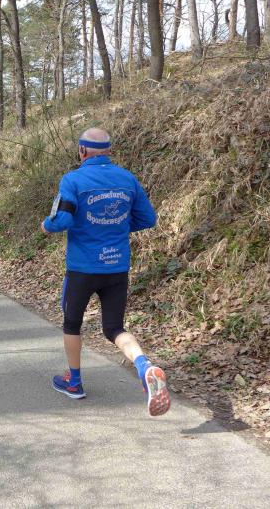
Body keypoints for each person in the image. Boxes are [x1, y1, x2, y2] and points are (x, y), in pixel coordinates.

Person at [40, 128, 169, 417]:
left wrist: (46, 226)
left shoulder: (72, 180)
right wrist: (116, 227)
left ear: (82, 151)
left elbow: (62, 220)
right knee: (114, 328)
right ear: (109, 151)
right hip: (116, 267)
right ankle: (144, 365)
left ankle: (74, 382)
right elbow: (148, 218)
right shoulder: (127, 179)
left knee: (72, 323)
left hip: (83, 268)